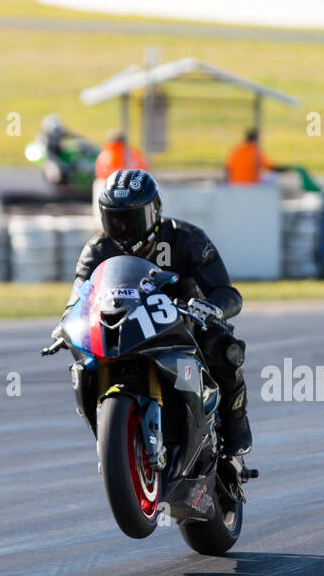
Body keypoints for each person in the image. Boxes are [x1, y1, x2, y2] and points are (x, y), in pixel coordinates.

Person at [69, 169, 251, 454]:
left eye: (131, 219)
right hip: (125, 327)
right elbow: (78, 295)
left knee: (223, 349)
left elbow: (228, 293)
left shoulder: (187, 238)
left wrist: (211, 308)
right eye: (114, 219)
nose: (123, 228)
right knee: (82, 363)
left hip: (184, 324)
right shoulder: (98, 248)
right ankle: (115, 437)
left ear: (155, 213)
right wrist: (67, 321)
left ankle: (235, 424)